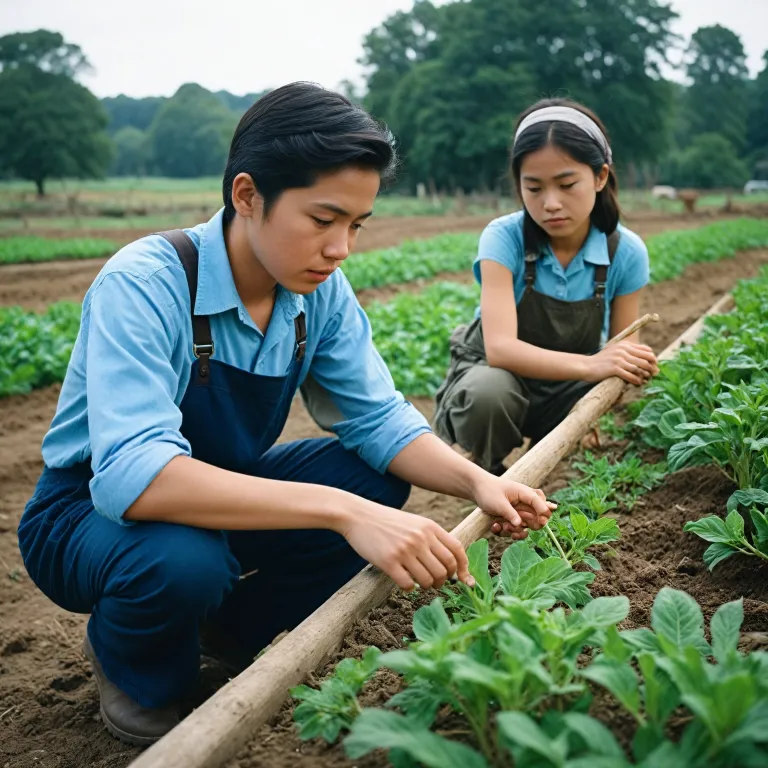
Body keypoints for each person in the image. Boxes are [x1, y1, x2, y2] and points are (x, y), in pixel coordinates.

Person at [17, 83, 553, 747]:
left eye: (355, 225)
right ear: (247, 196)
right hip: (87, 515)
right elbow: (131, 476)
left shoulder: (316, 294)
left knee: (375, 478)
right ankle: (136, 664)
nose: (340, 248)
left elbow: (379, 418)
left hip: (213, 489)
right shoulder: (150, 282)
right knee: (188, 561)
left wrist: (477, 482)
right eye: (322, 220)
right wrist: (340, 512)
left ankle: (230, 630)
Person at [434, 98, 659, 475]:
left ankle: (557, 451)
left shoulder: (625, 251)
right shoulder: (504, 238)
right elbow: (501, 349)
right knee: (489, 395)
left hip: (567, 383)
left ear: (600, 177)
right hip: (499, 375)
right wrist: (592, 365)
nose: (550, 203)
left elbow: (624, 342)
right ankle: (484, 468)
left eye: (567, 184)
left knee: (596, 393)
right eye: (534, 188)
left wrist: (626, 361)